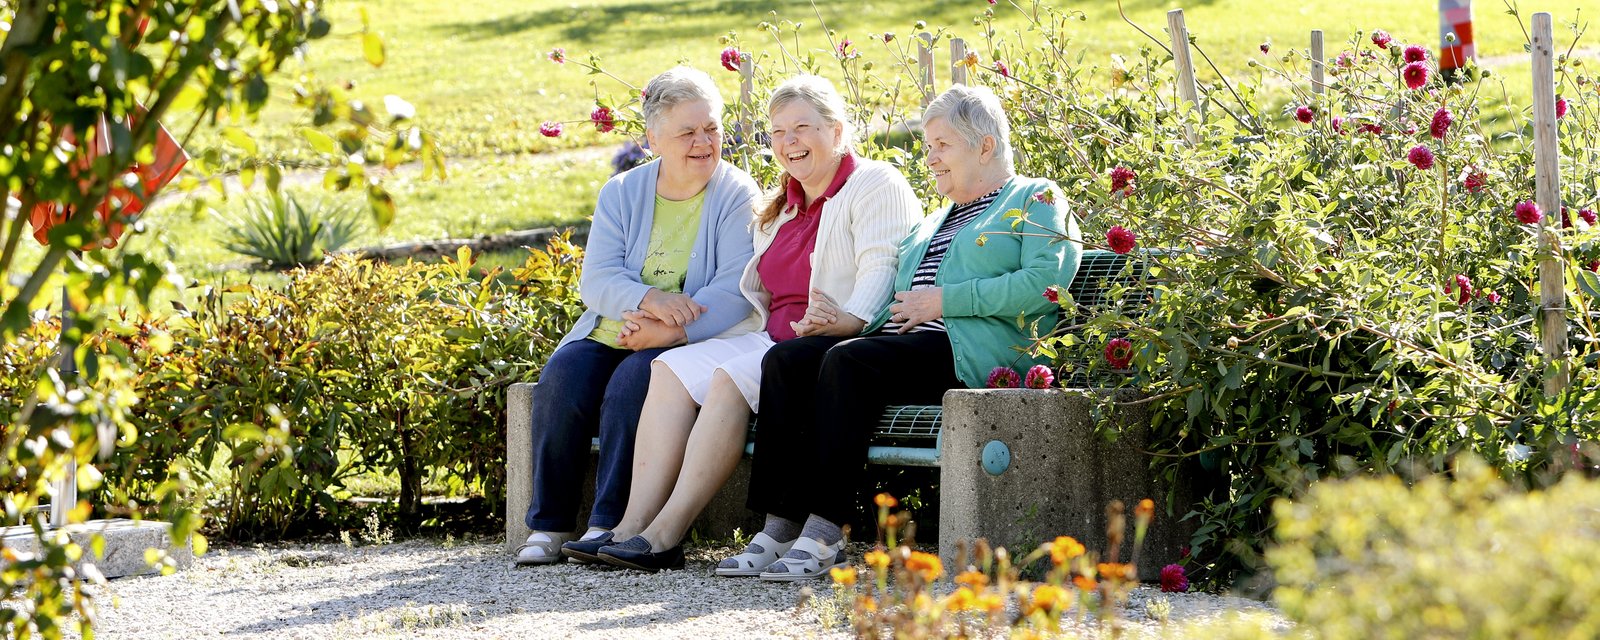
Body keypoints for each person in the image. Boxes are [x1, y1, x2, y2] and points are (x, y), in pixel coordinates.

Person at [557, 75, 920, 572]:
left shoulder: (872, 183)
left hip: (822, 343)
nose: (789, 142)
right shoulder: (781, 205)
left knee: (728, 379)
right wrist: (665, 329)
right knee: (669, 367)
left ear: (837, 132)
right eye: (777, 132)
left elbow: (881, 265)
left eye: (803, 128)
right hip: (766, 336)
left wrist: (851, 318)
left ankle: (665, 536)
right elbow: (752, 296)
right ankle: (630, 526)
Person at [723, 84, 1083, 581]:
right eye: (927, 145)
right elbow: (897, 301)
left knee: (849, 363)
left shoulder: (1033, 197)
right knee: (790, 360)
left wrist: (946, 300)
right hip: (905, 345)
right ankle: (778, 525)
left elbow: (1046, 283)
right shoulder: (935, 221)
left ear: (985, 147)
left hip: (971, 350)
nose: (930, 157)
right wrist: (840, 324)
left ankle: (827, 531)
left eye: (942, 145)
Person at [514, 66, 763, 566]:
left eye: (711, 128)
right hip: (610, 329)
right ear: (652, 139)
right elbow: (598, 280)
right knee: (562, 377)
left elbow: (736, 290)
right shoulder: (623, 192)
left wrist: (670, 331)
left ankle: (609, 522)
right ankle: (548, 526)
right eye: (687, 132)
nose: (703, 142)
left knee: (633, 383)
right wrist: (652, 299)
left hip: (683, 343)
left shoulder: (737, 193)